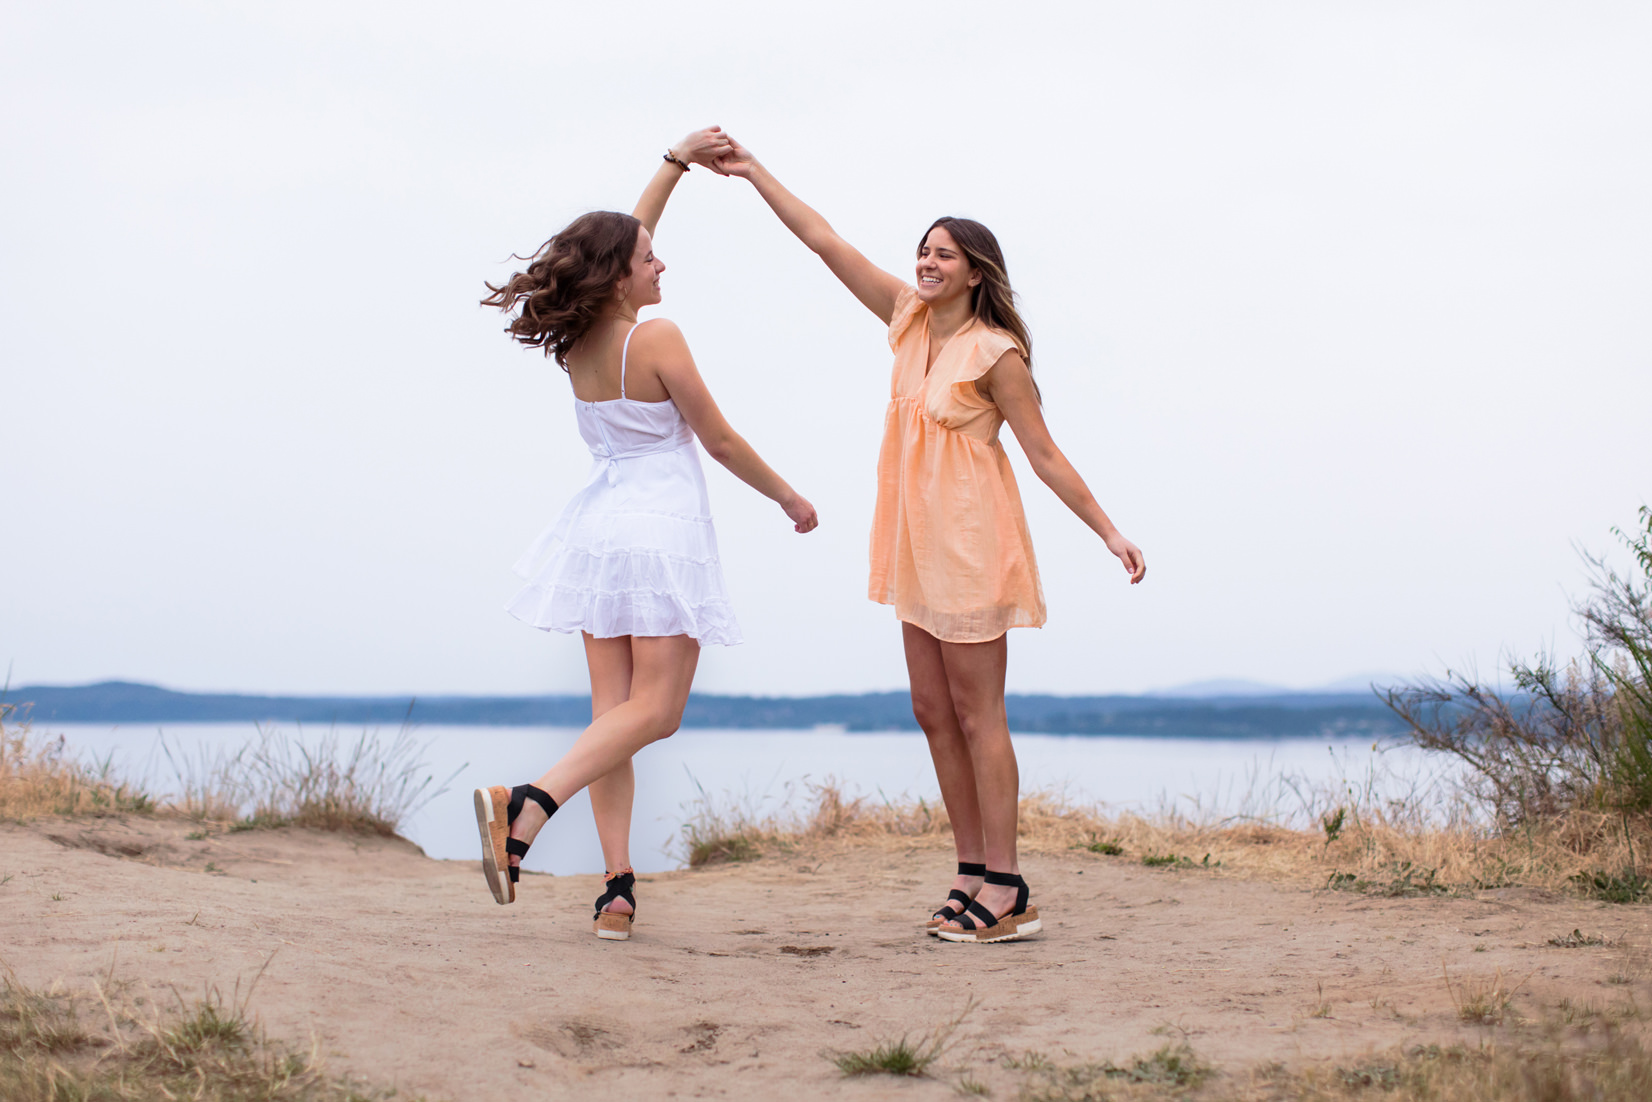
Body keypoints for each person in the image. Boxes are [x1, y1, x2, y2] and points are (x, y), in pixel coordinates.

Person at [716, 136, 1145, 943]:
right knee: (931, 710)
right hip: (914, 542)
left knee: (981, 714)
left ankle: (1010, 888)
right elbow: (823, 241)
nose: (926, 262)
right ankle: (971, 871)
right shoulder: (907, 322)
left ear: (976, 271)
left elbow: (1044, 454)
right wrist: (754, 173)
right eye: (922, 251)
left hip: (974, 545)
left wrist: (1109, 531)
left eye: (943, 254)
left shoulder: (997, 353)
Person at [475, 128, 818, 940]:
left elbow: (623, 237)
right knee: (656, 711)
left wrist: (673, 164)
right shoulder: (655, 337)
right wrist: (788, 498)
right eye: (650, 259)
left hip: (599, 533)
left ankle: (616, 888)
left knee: (612, 720)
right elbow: (720, 439)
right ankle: (527, 804)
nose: (662, 263)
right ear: (621, 274)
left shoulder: (582, 338)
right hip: (661, 534)